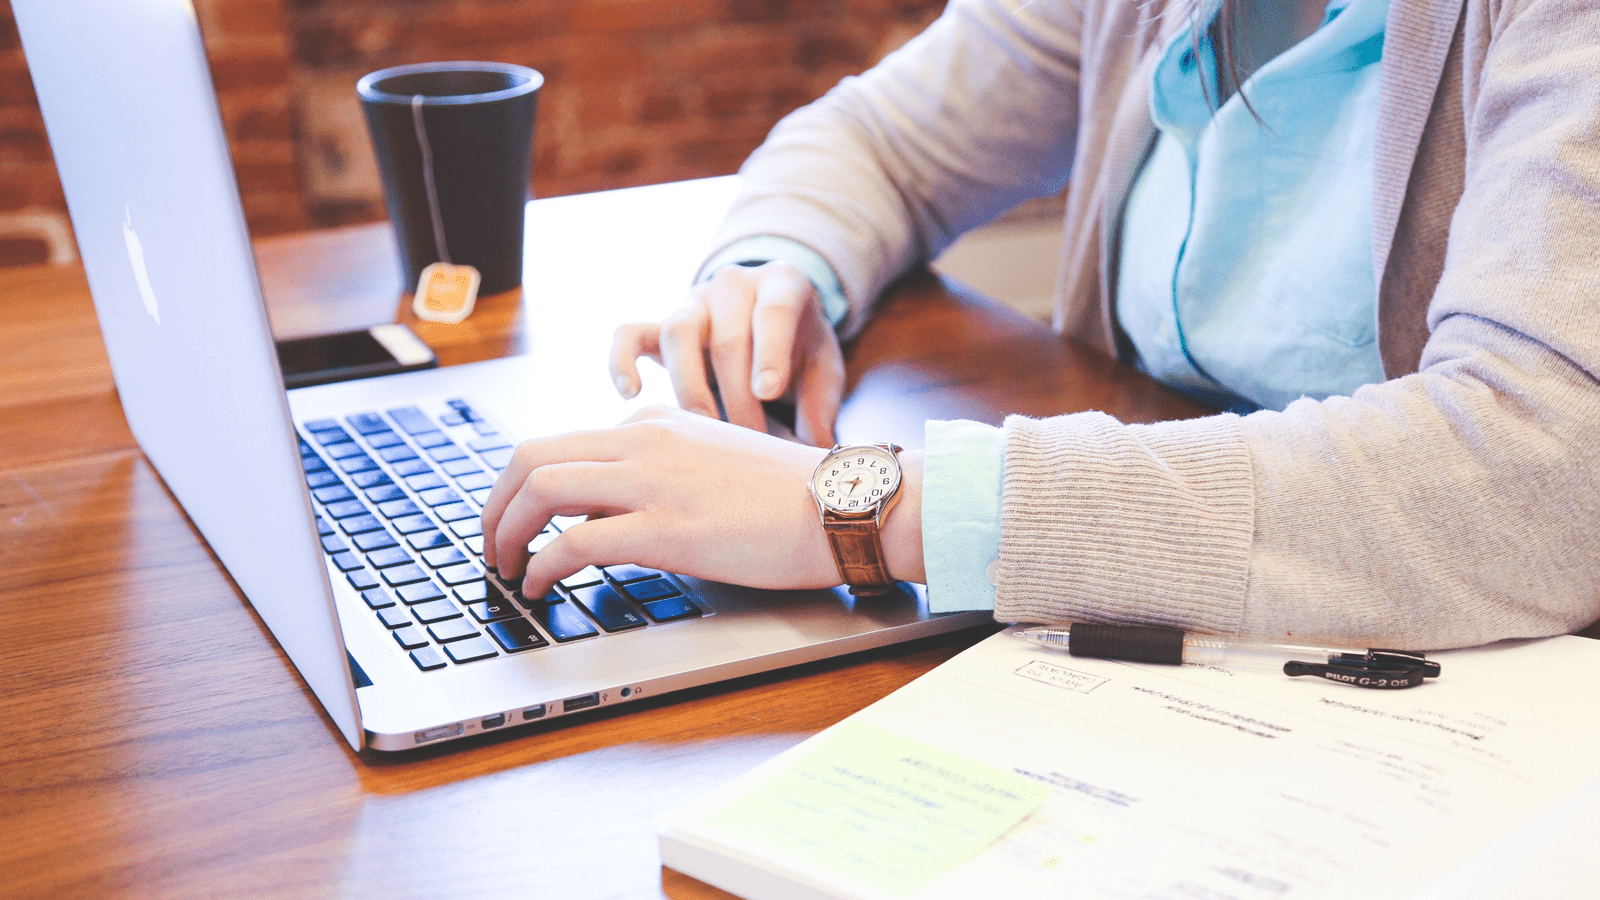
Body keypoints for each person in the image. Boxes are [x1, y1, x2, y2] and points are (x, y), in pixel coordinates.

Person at [481, 0, 1600, 650]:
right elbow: (883, 137)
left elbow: (1543, 473)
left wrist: (864, 507)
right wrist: (773, 273)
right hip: (1163, 644)